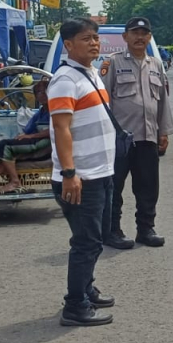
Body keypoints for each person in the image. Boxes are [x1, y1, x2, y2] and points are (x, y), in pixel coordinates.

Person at [48, 18, 117, 327]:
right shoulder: (64, 79)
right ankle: (75, 305)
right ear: (68, 44)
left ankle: (86, 289)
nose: (94, 43)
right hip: (82, 177)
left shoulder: (89, 74)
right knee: (86, 242)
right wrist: (69, 173)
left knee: (95, 238)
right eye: (86, 38)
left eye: (95, 37)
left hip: (101, 172)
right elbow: (61, 129)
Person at [98, 16, 173, 248]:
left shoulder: (156, 64)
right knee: (115, 187)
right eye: (135, 33)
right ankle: (112, 231)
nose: (139, 37)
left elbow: (162, 102)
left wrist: (164, 131)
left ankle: (146, 229)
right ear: (125, 37)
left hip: (147, 136)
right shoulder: (112, 63)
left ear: (149, 37)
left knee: (148, 186)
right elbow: (103, 102)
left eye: (144, 33)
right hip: (120, 140)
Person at [0, 78, 52, 194]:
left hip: (48, 145)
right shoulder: (41, 112)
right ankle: (4, 164)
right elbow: (28, 129)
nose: (40, 95)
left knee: (4, 145)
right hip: (36, 142)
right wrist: (22, 137)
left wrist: (31, 137)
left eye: (43, 92)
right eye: (37, 93)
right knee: (2, 141)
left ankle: (15, 182)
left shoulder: (55, 110)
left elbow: (55, 130)